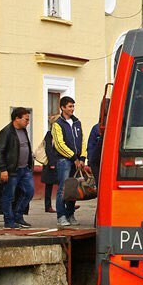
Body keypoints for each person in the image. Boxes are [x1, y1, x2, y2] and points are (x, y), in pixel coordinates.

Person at [0, 107, 34, 229]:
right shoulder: (6, 132)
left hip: (25, 169)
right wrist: (3, 169)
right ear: (17, 118)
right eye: (26, 119)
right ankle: (9, 221)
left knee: (29, 192)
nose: (28, 122)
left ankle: (18, 216)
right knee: (8, 196)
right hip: (11, 170)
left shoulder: (23, 130)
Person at [51, 96, 86, 227]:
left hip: (76, 161)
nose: (72, 109)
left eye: (73, 106)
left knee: (73, 189)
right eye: (70, 106)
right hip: (64, 160)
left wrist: (82, 158)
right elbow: (60, 144)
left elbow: (82, 140)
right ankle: (61, 215)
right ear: (63, 108)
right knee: (63, 189)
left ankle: (70, 214)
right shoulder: (57, 124)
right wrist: (73, 158)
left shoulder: (77, 122)